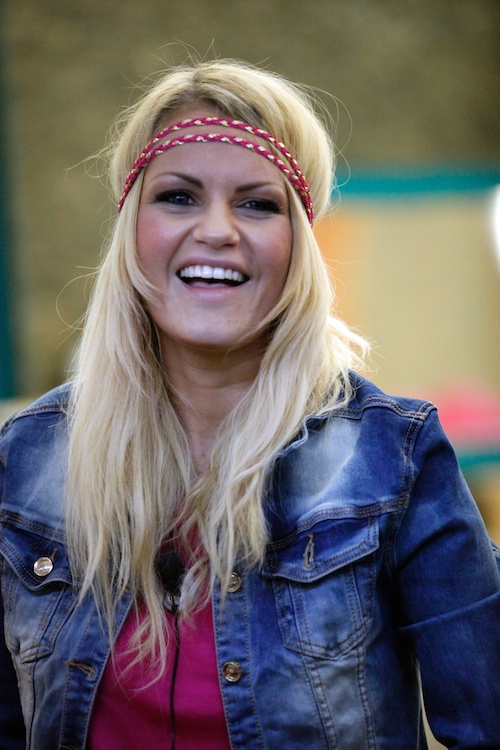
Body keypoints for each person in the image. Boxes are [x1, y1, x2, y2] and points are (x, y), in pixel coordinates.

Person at [0, 59, 499, 750]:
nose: (216, 230)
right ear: (132, 227)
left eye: (258, 204)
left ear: (298, 243)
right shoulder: (26, 458)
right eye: (178, 197)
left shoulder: (396, 459)